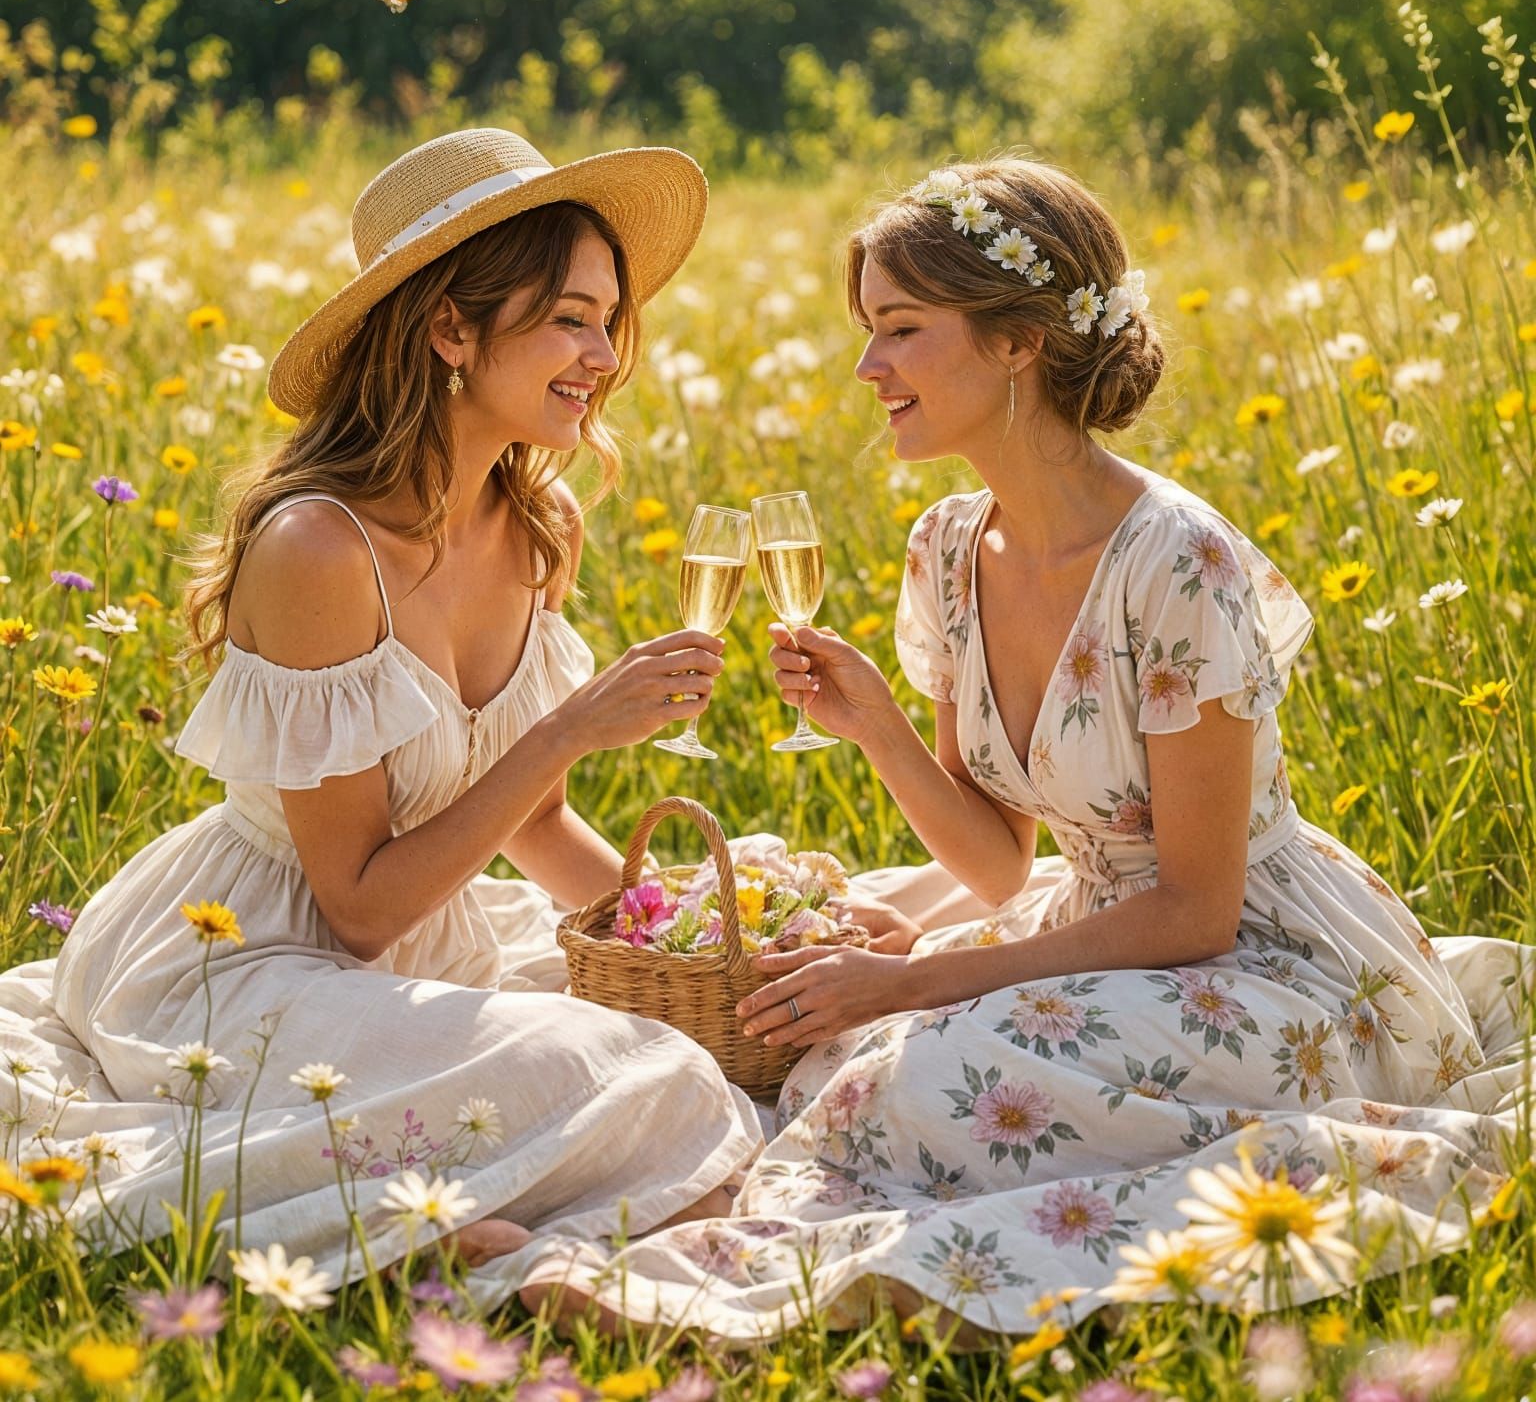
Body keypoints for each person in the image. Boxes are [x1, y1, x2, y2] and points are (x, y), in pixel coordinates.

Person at [502, 157, 1531, 1340]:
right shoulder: (948, 549)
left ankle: (747, 1257)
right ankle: (706, 1222)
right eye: (869, 330)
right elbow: (998, 865)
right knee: (839, 1048)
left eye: (901, 329)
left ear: (1018, 343)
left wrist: (917, 980)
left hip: (1262, 963)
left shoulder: (1177, 563)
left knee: (934, 1071)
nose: (868, 367)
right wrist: (880, 729)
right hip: (1097, 931)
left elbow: (1197, 909)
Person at [0, 128, 762, 1286]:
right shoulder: (317, 550)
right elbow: (355, 909)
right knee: (643, 1080)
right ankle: (403, 1230)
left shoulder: (538, 524)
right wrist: (569, 728)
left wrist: (684, 935)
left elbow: (536, 824)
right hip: (249, 958)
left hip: (430, 941)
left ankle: (442, 1225)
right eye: (570, 318)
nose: (604, 356)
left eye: (610, 321)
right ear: (451, 327)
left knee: (685, 1056)